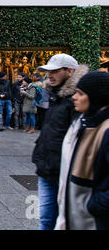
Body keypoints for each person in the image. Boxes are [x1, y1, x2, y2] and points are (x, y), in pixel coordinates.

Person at [31, 53, 88, 230]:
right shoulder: (56, 96)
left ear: (69, 71)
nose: (50, 75)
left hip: (65, 170)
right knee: (46, 219)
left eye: (55, 71)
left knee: (63, 220)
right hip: (47, 166)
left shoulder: (77, 100)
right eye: (48, 72)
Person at [55, 71, 109, 230]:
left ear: (95, 98)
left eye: (80, 93)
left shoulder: (104, 130)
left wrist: (95, 205)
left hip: (93, 220)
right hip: (78, 216)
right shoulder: (86, 123)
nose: (74, 97)